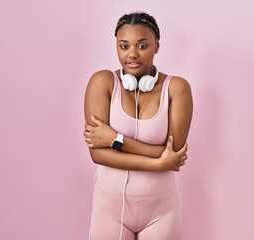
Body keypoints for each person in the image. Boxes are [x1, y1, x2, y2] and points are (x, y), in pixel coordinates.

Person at [83, 11, 193, 240]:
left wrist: (115, 139)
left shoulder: (177, 89)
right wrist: (159, 162)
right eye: (124, 46)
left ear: (157, 46)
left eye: (142, 46)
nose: (132, 54)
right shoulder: (102, 82)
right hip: (109, 209)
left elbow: (174, 155)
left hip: (161, 211)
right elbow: (97, 154)